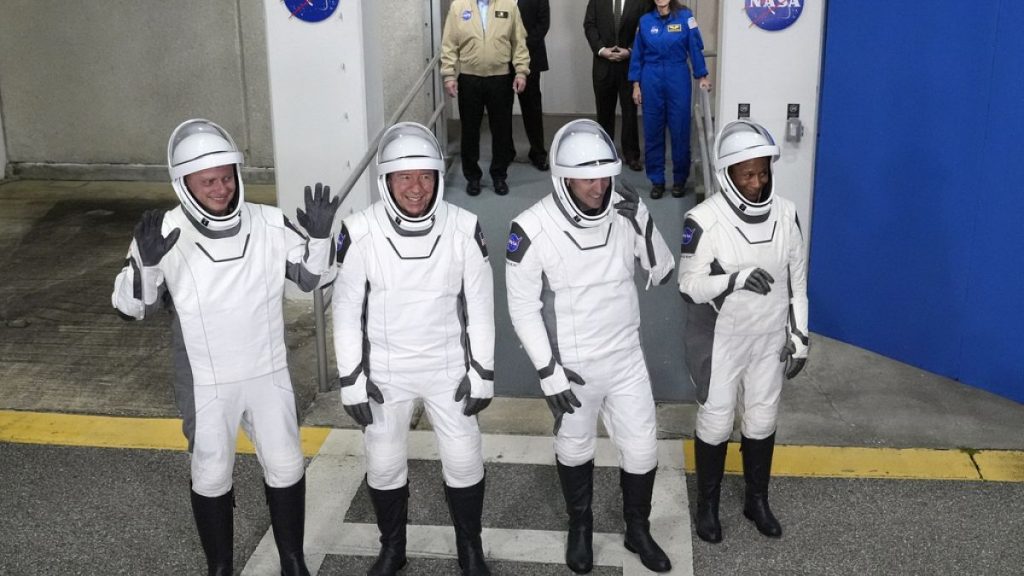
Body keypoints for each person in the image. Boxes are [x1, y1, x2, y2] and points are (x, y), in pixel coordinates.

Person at [112, 119, 340, 575]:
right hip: (205, 380)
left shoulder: (268, 221)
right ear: (184, 183)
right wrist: (148, 266)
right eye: (208, 182)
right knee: (211, 472)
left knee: (287, 466)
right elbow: (130, 308)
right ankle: (220, 567)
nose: (221, 189)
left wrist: (319, 239)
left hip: (267, 371)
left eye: (226, 177)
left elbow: (312, 280)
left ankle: (293, 561)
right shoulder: (163, 232)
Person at [505, 119, 675, 574]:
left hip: (626, 358)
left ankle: (637, 529)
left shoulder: (624, 208)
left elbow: (663, 272)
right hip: (573, 367)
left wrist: (643, 222)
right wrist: (549, 372)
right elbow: (522, 309)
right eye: (588, 179)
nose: (599, 187)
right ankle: (580, 526)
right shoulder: (531, 227)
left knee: (642, 449)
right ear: (563, 178)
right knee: (575, 447)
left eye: (604, 176)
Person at [331, 123, 495, 576]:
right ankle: (392, 548)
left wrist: (482, 372)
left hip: (449, 367)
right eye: (404, 176)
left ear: (439, 176)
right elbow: (345, 311)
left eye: (425, 175)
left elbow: (481, 307)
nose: (416, 188)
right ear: (386, 180)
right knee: (384, 464)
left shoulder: (464, 227)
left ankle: (470, 549)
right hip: (385, 371)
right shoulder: (358, 230)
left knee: (464, 459)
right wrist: (351, 380)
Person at [677, 119, 809, 544]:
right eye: (747, 175)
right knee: (717, 422)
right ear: (727, 174)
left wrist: (800, 336)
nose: (756, 183)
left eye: (763, 173)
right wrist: (733, 280)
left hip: (769, 337)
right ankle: (708, 507)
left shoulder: (786, 214)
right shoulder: (703, 219)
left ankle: (757, 501)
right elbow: (687, 286)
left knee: (762, 419)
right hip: (722, 339)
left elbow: (797, 283)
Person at [441, 0, 530, 197]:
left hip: (500, 78)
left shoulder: (509, 6)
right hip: (469, 78)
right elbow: (449, 44)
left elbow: (519, 43)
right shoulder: (458, 7)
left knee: (501, 130)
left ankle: (499, 175)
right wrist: (449, 75)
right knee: (470, 130)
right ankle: (472, 177)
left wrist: (521, 72)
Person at [629, 0, 712, 199]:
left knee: (680, 130)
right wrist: (636, 85)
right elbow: (637, 55)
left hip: (678, 77)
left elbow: (695, 47)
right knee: (652, 131)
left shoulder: (685, 17)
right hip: (651, 78)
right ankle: (657, 180)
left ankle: (680, 180)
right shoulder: (645, 21)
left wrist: (702, 75)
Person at [584, 0, 652, 173]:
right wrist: (601, 49)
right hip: (603, 64)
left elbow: (645, 29)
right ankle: (604, 153)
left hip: (629, 65)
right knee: (604, 111)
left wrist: (630, 50)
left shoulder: (642, 2)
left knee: (630, 111)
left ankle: (632, 155)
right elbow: (589, 25)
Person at [515, 0, 551, 171]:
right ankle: (505, 151)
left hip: (531, 56)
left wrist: (521, 47)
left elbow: (543, 24)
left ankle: (538, 153)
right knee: (501, 109)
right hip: (500, 57)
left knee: (532, 108)